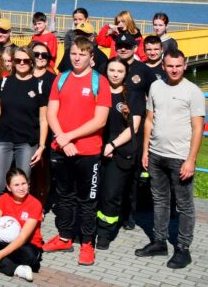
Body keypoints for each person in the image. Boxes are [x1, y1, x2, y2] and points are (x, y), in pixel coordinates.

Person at [43, 37, 111, 266]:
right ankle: (64, 236)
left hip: (88, 151)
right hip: (62, 149)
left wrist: (68, 137)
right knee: (64, 196)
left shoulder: (99, 82)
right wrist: (63, 141)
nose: (77, 57)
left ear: (91, 58)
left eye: (82, 54)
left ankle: (87, 244)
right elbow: (51, 113)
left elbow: (100, 120)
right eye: (73, 53)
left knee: (88, 200)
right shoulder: (61, 79)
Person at [135, 49, 204, 269]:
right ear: (163, 66)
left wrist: (191, 160)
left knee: (184, 205)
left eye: (178, 65)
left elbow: (198, 127)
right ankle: (159, 241)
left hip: (180, 157)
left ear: (185, 66)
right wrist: (146, 150)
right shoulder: (156, 86)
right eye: (170, 65)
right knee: (160, 200)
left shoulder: (193, 91)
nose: (174, 69)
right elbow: (149, 120)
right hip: (156, 154)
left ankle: (183, 248)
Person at [0, 45, 48, 206]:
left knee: (22, 187)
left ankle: (20, 221)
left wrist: (41, 146)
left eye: (26, 61)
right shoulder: (3, 83)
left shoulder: (39, 85)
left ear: (31, 62)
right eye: (18, 60)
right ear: (13, 62)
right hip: (3, 140)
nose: (22, 63)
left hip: (27, 143)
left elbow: (43, 119)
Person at [94, 59, 144, 249]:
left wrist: (112, 145)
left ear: (126, 73)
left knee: (111, 194)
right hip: (98, 147)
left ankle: (105, 232)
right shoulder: (99, 92)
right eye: (112, 70)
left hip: (120, 151)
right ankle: (90, 228)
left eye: (120, 71)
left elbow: (134, 127)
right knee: (95, 191)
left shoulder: (133, 95)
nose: (115, 74)